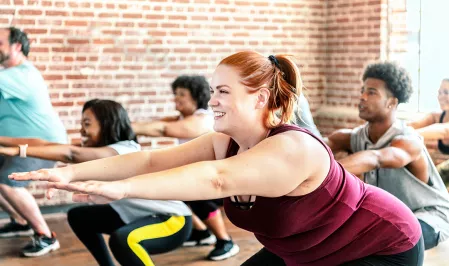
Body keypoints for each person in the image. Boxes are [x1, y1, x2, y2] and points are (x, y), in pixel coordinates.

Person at [11, 51, 424, 266]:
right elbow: (151, 161)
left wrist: (118, 190)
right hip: (306, 251)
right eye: (213, 91)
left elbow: (219, 181)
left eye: (223, 92)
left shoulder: (293, 148)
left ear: (260, 98)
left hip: (379, 247)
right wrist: (68, 172)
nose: (213, 101)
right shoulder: (221, 140)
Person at [0, 99, 192, 266]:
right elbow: (44, 144)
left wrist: (18, 151)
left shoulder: (123, 150)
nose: (81, 130)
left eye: (87, 123)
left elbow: (70, 153)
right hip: (136, 216)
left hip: (172, 221)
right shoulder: (99, 152)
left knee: (123, 240)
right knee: (79, 216)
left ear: (107, 125)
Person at [326, 62, 449, 250]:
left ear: (392, 102)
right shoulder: (355, 137)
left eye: (372, 92)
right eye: (363, 90)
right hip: (389, 219)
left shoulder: (408, 141)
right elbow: (323, 144)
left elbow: (377, 158)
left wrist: (324, 173)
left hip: (428, 217)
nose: (362, 97)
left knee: (378, 239)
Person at [133, 75, 239, 261]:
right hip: (201, 175)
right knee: (174, 191)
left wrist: (125, 126)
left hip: (220, 179)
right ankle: (201, 233)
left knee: (194, 196)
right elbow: (156, 124)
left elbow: (163, 129)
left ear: (196, 96)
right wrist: (125, 126)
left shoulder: (203, 119)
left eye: (181, 94)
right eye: (175, 93)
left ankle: (226, 241)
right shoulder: (182, 118)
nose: (176, 98)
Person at [0, 26, 67, 257]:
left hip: (43, 145)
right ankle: (20, 221)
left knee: (7, 181)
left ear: (16, 47)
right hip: (17, 144)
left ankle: (46, 236)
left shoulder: (20, 74)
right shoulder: (8, 77)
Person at [408, 78, 449, 185]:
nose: (441, 96)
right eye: (439, 93)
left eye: (446, 92)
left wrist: (407, 134)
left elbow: (443, 130)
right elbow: (413, 125)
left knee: (436, 179)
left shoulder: (442, 126)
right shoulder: (437, 116)